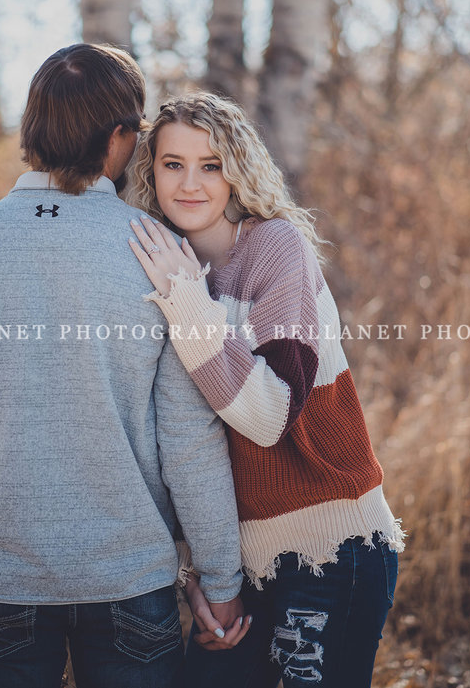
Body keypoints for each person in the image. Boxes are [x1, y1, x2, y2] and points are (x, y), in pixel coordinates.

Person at [0, 47, 246, 688]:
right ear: (120, 138)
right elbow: (188, 439)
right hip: (128, 577)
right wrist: (220, 577)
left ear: (31, 130)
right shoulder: (157, 254)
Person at [127, 92, 405, 688]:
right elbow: (177, 436)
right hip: (233, 561)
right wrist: (202, 570)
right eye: (173, 164)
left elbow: (271, 413)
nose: (191, 184)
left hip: (329, 550)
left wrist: (188, 306)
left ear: (239, 171)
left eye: (212, 164)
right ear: (151, 171)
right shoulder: (159, 263)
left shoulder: (276, 249)